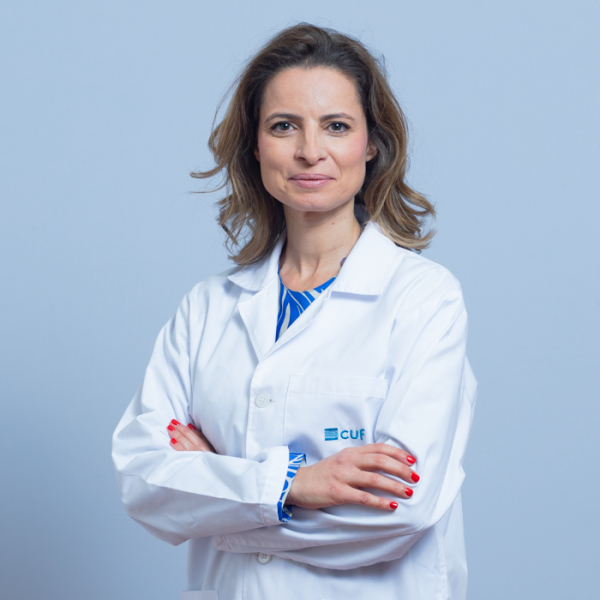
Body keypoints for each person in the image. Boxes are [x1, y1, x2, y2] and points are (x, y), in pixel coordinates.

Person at [112, 23, 477, 600]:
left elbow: (400, 511)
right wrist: (295, 485)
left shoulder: (424, 299)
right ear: (255, 146)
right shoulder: (207, 308)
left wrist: (222, 497)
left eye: (337, 126)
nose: (310, 151)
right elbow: (142, 479)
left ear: (372, 143)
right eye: (284, 126)